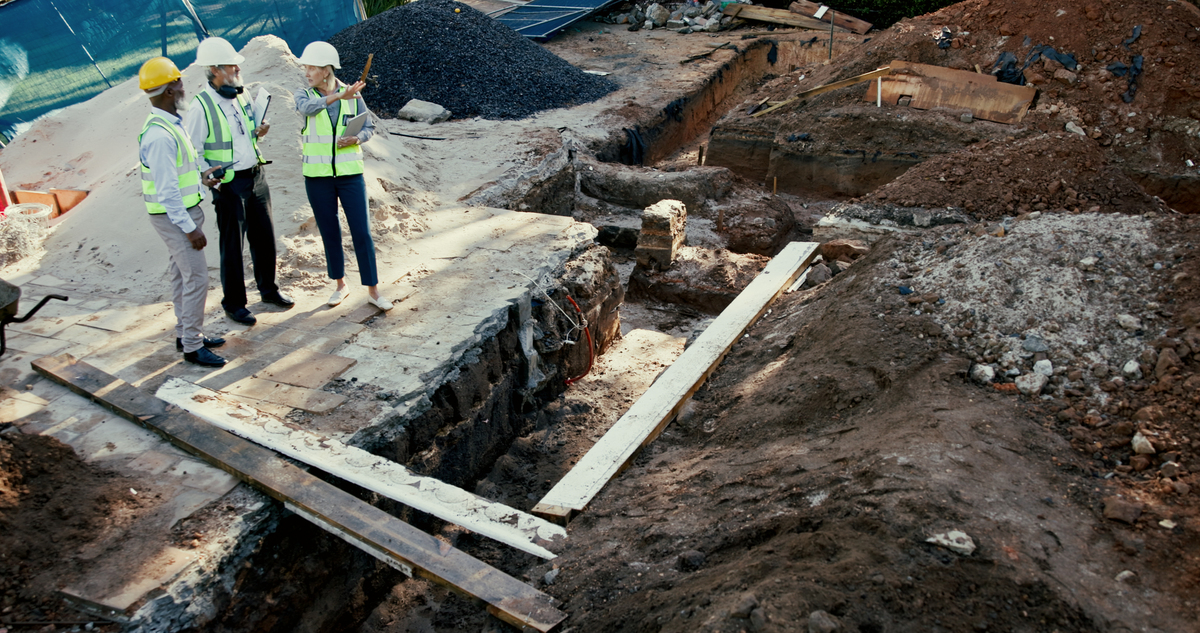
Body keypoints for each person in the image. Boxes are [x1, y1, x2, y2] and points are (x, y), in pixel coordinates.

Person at [184, 37, 293, 326]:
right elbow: (190, 151)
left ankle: (268, 290)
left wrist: (259, 131)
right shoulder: (201, 107)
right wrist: (206, 176)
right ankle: (234, 304)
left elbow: (243, 136)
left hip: (256, 175)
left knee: (264, 237)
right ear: (215, 70)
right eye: (232, 66)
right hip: (229, 185)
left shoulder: (239, 95)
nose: (237, 69)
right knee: (233, 246)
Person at [136, 57, 227, 367]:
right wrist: (190, 228)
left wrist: (204, 176)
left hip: (180, 213)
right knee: (197, 279)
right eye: (178, 82)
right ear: (169, 91)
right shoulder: (160, 136)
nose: (183, 86)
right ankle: (191, 345)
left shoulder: (170, 124)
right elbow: (167, 191)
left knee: (181, 275)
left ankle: (185, 333)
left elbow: (179, 173)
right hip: (175, 218)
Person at [293, 41, 392, 311]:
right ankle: (340, 285)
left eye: (311, 67)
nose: (307, 72)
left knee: (362, 232)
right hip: (317, 177)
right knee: (330, 232)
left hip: (349, 175)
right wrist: (339, 97)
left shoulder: (354, 95)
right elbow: (307, 109)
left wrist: (356, 138)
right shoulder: (304, 95)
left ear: (326, 70)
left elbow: (369, 127)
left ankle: (373, 290)